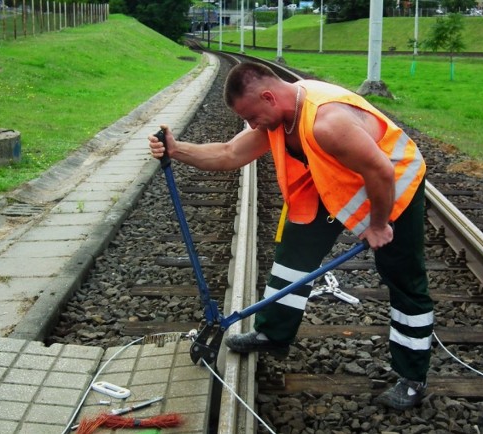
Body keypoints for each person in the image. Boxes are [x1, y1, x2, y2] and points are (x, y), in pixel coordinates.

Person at [148, 62, 434, 410]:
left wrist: (376, 225)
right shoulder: (279, 116)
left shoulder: (328, 123)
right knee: (293, 255)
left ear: (268, 96)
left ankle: (412, 379)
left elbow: (381, 171)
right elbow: (230, 153)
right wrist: (177, 150)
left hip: (393, 187)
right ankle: (274, 334)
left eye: (253, 117)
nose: (252, 125)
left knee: (404, 279)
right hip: (332, 183)